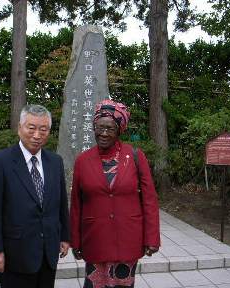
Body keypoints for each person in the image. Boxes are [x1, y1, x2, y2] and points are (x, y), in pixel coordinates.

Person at [70, 99, 160, 288]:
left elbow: (149, 200)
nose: (103, 133)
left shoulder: (135, 156)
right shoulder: (82, 161)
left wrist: (152, 238)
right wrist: (75, 241)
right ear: (94, 128)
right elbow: (77, 204)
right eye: (99, 127)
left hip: (127, 239)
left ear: (119, 130)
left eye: (110, 128)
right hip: (95, 239)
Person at [0, 104, 70, 288]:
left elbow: (61, 203)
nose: (37, 135)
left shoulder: (55, 162)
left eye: (43, 129)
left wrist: (64, 236)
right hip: (16, 253)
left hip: (48, 252)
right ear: (20, 128)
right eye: (32, 128)